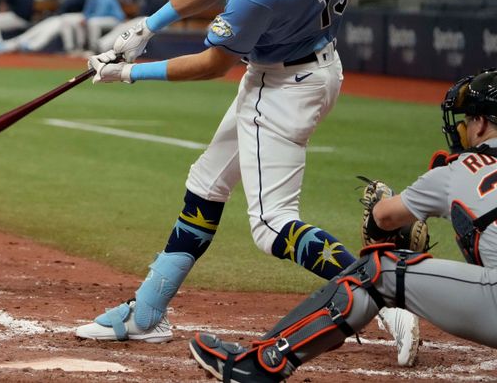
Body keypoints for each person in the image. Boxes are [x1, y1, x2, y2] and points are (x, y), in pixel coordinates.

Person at [77, 0, 419, 366]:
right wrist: (150, 26)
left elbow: (215, 63)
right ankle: (146, 313)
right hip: (314, 68)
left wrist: (127, 73)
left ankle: (386, 295)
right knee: (207, 182)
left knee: (272, 226)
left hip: (281, 85)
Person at [189, 68, 497, 381]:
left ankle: (259, 365)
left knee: (377, 271)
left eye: (469, 119)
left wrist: (382, 207)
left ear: (482, 122)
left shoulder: (461, 169)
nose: (464, 127)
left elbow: (384, 218)